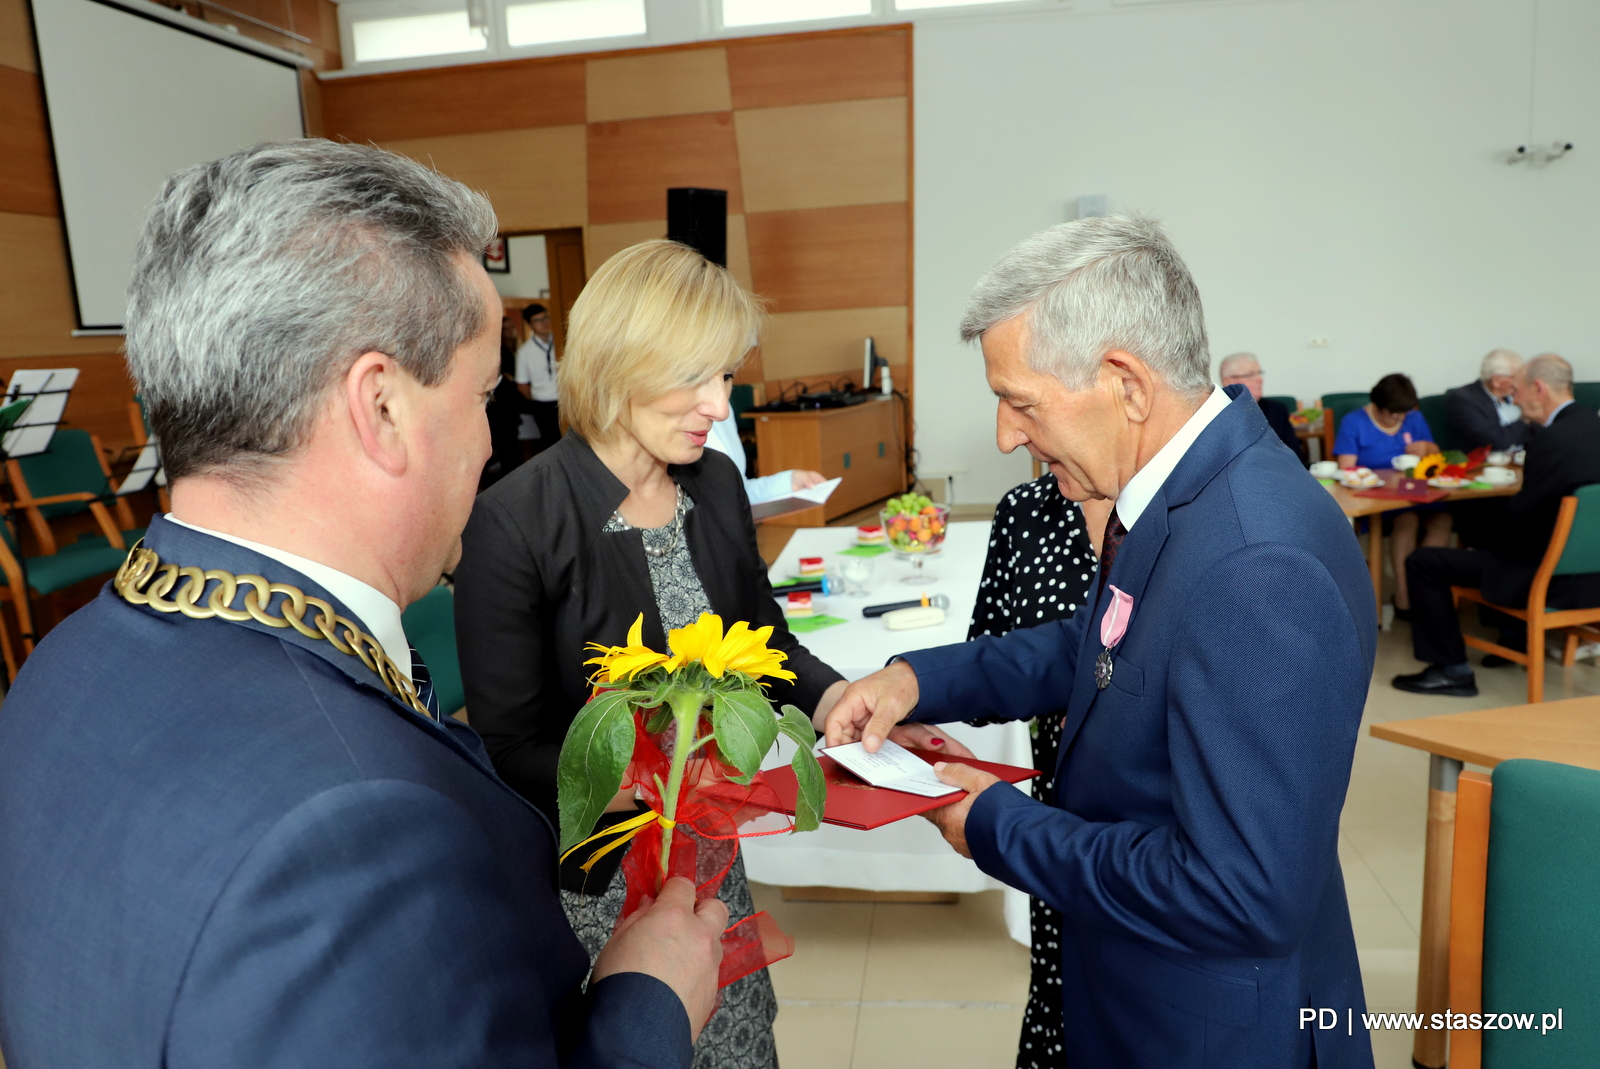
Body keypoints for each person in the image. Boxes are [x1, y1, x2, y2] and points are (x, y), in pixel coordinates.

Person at [0, 141, 725, 1067]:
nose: (487, 440)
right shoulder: (360, 833)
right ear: (380, 407)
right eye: (483, 396)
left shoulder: (59, 664)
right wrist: (646, 1003)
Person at [824, 215, 1378, 1069]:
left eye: (1021, 401)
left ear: (1124, 381)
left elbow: (1241, 892)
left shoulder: (1255, 563)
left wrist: (994, 821)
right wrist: (916, 680)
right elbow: (1107, 640)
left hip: (1209, 1030)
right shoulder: (1194, 488)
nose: (1008, 435)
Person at [455, 240, 928, 1069]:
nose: (720, 403)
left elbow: (764, 637)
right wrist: (651, 797)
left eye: (727, 376)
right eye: (695, 377)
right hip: (598, 889)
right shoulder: (516, 521)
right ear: (619, 363)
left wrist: (831, 699)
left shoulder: (711, 484)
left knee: (740, 1047)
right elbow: (506, 749)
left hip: (711, 858)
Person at [965, 476, 1107, 1069]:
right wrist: (914, 695)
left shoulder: (1184, 508)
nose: (1006, 435)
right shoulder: (1026, 511)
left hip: (1157, 835)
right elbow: (990, 661)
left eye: (1023, 402)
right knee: (1062, 997)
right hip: (1053, 815)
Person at [1393, 353, 1600, 697]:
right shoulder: (1592, 426)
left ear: (1538, 389)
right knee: (1492, 534)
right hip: (1594, 579)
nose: (1515, 401)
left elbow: (1521, 525)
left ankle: (1452, 670)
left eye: (1517, 391)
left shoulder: (1550, 442)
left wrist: (1493, 538)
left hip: (1548, 582)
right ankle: (1513, 635)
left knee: (1424, 561)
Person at [1334, 373, 1451, 617]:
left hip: (1417, 492)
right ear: (1378, 406)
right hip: (1379, 498)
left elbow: (1435, 454)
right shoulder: (1354, 422)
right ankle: (1404, 596)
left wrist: (1428, 449)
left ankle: (1422, 586)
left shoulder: (1414, 417)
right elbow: (1347, 469)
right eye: (1394, 414)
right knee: (1407, 522)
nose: (1400, 418)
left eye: (1404, 413)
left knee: (1443, 520)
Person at [704, 411, 825, 504]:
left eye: (728, 378)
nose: (722, 409)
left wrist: (787, 483)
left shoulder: (724, 409)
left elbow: (738, 494)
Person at [1218, 351, 1307, 464]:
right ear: (1228, 381)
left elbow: (1295, 456)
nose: (1260, 379)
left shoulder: (1277, 410)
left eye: (1259, 373)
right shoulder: (1215, 413)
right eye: (1250, 375)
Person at [1445, 348, 1534, 453]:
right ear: (1497, 381)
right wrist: (1527, 420)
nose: (1522, 381)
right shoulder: (1462, 399)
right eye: (1518, 377)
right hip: (1484, 465)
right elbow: (1497, 440)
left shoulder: (1518, 394)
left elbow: (1539, 428)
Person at [516, 302, 561, 457]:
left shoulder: (560, 342)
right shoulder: (525, 352)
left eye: (546, 318)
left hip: (565, 400)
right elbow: (522, 383)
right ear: (530, 324)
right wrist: (535, 402)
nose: (544, 323)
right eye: (538, 320)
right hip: (542, 405)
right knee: (550, 443)